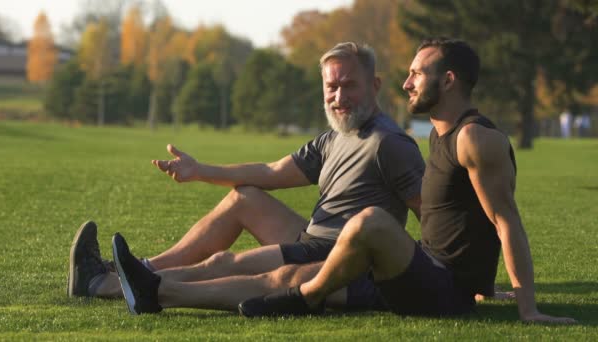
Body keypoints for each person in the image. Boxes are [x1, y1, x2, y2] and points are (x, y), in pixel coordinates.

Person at [237, 37, 576, 324]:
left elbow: (505, 222)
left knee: (369, 221)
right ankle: (184, 290)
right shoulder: (440, 134)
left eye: (416, 74)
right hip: (424, 270)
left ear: (447, 81)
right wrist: (484, 287)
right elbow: (462, 223)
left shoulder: (475, 139)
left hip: (441, 291)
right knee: (284, 275)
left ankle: (307, 298)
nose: (406, 83)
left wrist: (527, 308)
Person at [69, 42, 426, 311]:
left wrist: (445, 279)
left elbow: (429, 214)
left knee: (223, 264)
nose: (338, 96)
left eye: (349, 86)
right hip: (313, 238)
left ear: (375, 85)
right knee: (246, 197)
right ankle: (138, 270)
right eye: (331, 87)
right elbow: (270, 172)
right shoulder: (334, 137)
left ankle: (106, 284)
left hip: (338, 255)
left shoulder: (389, 144)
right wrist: (199, 171)